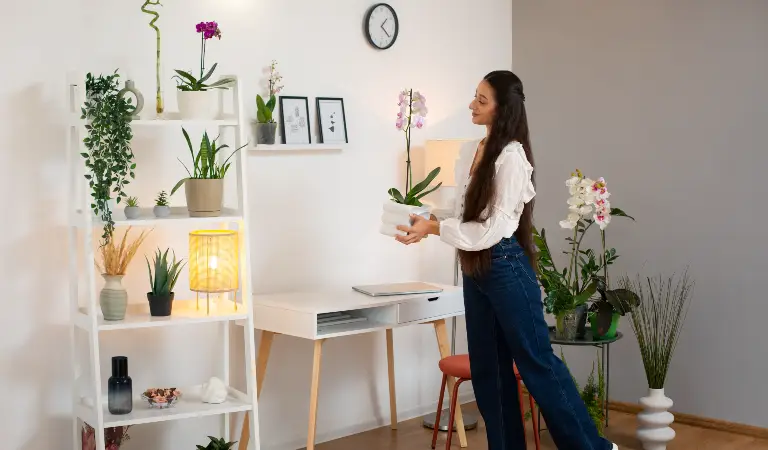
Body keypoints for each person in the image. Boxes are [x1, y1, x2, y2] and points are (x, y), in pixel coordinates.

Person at [395, 70, 617, 450]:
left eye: (481, 100)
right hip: (475, 269)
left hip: (505, 266)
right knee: (488, 372)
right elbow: (463, 212)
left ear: (503, 109)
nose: (472, 105)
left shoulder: (512, 158)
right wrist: (428, 222)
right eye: (474, 97)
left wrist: (435, 230)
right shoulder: (472, 150)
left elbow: (491, 230)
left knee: (536, 364)